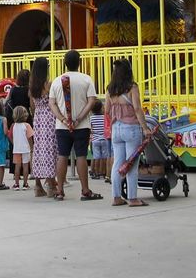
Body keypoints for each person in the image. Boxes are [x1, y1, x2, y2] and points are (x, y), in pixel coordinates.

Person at [49, 49, 100, 201]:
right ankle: (85, 190)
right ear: (79, 63)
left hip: (62, 126)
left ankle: (59, 191)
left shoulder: (57, 81)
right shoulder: (86, 79)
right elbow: (92, 101)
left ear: (64, 63)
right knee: (81, 156)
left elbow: (52, 103)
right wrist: (78, 119)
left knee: (62, 156)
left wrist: (63, 119)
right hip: (82, 125)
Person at [105, 58, 152, 207]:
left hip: (116, 129)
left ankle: (116, 197)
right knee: (132, 164)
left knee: (118, 163)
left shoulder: (110, 89)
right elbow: (137, 109)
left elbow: (106, 110)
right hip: (131, 128)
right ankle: (132, 198)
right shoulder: (132, 87)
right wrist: (145, 128)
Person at [28, 57, 57, 199]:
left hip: (38, 119)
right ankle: (52, 185)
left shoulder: (32, 86)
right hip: (49, 118)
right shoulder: (48, 84)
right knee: (50, 150)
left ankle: (38, 185)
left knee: (39, 151)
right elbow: (54, 102)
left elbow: (32, 106)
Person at [10, 105, 32, 189]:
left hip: (16, 149)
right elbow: (30, 137)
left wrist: (14, 143)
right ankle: (25, 184)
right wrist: (31, 147)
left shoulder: (13, 126)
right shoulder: (27, 125)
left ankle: (16, 184)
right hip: (25, 148)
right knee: (25, 166)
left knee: (17, 166)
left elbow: (10, 136)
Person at [89, 98, 109, 181]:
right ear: (101, 108)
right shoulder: (104, 117)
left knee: (96, 156)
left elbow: (90, 129)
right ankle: (104, 172)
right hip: (104, 139)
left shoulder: (91, 118)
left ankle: (96, 173)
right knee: (105, 156)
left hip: (95, 140)